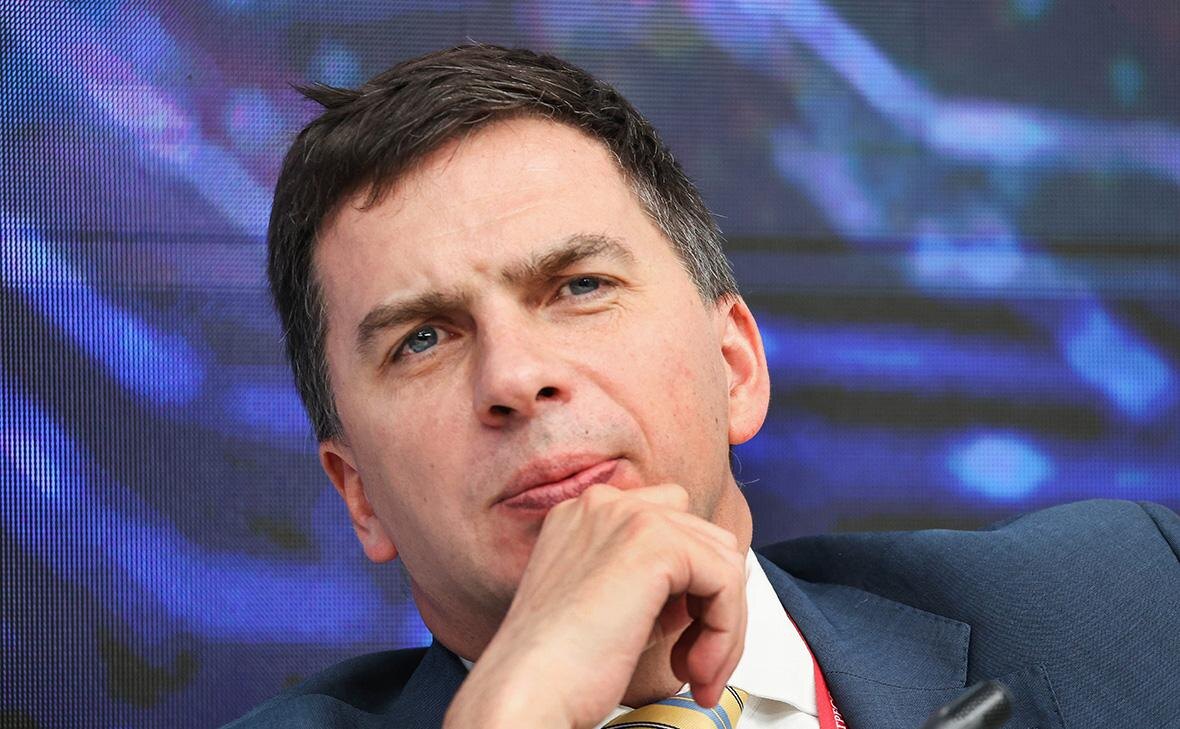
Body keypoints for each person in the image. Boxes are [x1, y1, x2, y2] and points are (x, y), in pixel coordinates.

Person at [225, 44, 1180, 728]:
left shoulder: (1131, 598)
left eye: (579, 286)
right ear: (358, 492)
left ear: (735, 366)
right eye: (423, 339)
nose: (515, 376)